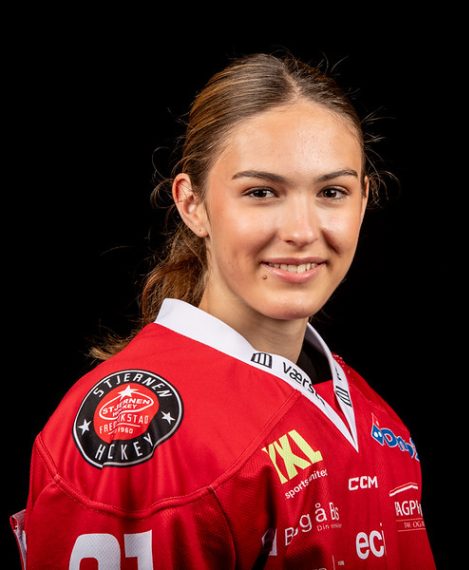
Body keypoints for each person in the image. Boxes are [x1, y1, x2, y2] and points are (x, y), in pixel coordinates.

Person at [11, 52, 436, 569]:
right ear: (192, 204)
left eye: (332, 192)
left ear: (363, 201)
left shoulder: (368, 411)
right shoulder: (135, 435)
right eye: (261, 192)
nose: (303, 231)